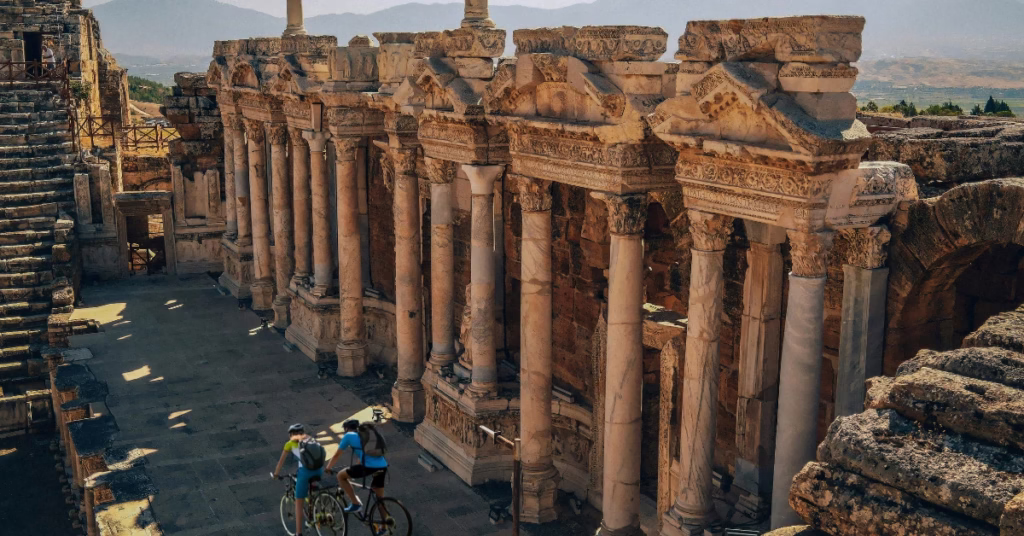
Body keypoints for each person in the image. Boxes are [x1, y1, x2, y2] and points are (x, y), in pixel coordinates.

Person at [325, 419, 388, 517]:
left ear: (346, 428)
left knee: (340, 476)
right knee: (379, 498)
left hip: (369, 467)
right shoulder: (364, 435)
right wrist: (356, 466)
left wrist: (328, 467)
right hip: (382, 466)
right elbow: (363, 454)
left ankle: (356, 504)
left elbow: (337, 455)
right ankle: (386, 521)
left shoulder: (348, 435)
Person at [272, 424, 325, 536]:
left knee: (299, 502)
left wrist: (276, 474)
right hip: (319, 470)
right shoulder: (310, 439)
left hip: (305, 473)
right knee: (311, 489)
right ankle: (315, 507)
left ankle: (298, 533)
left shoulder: (289, 444)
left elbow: (281, 462)